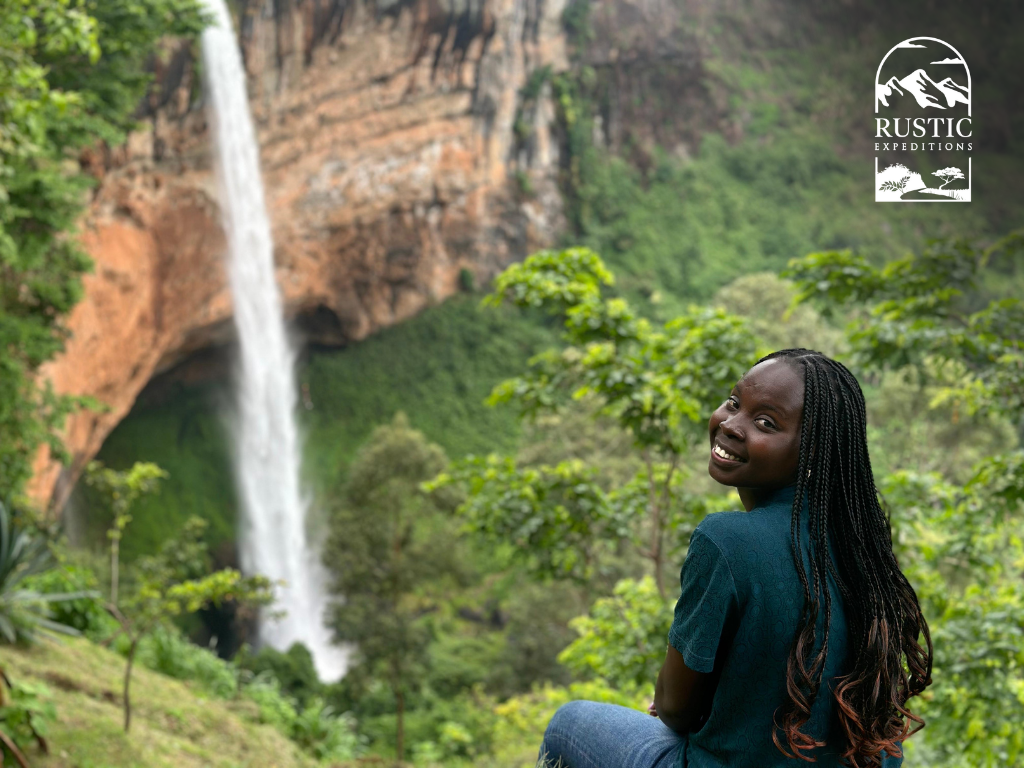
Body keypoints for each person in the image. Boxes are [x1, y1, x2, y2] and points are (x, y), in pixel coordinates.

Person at [537, 349, 933, 768]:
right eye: (733, 402)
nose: (730, 424)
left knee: (568, 723)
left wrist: (683, 706)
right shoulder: (865, 553)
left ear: (812, 452)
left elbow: (673, 709)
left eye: (765, 423)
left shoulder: (727, 541)